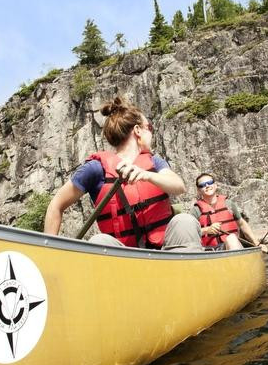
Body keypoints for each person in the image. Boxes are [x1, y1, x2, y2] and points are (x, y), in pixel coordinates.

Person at [44, 97, 202, 251]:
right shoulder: (95, 169)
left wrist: (147, 175)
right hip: (124, 256)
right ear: (138, 130)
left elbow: (179, 187)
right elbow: (55, 205)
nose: (151, 133)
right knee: (99, 241)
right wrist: (49, 252)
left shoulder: (154, 161)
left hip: (164, 250)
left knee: (185, 220)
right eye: (150, 127)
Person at [190, 172, 267, 251]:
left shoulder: (229, 204)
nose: (207, 186)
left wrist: (257, 243)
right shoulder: (196, 210)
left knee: (232, 238)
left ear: (215, 185)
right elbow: (189, 233)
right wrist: (206, 230)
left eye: (210, 182)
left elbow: (242, 224)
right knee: (231, 238)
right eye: (202, 185)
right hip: (209, 251)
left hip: (232, 246)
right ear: (198, 190)